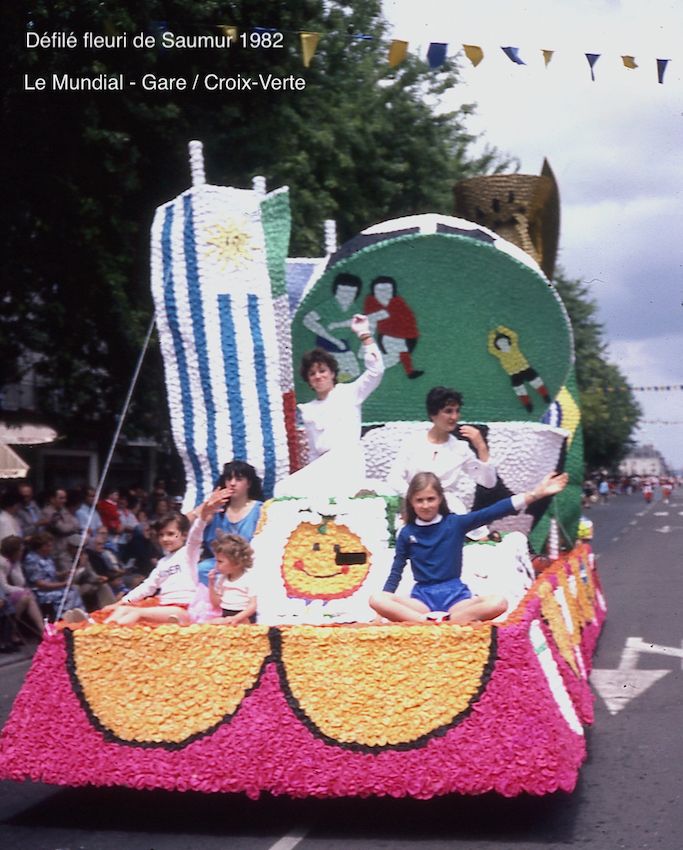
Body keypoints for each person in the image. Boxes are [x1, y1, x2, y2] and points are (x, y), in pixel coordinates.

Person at [370, 470, 568, 625]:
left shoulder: (455, 523)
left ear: (440, 499)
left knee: (499, 602)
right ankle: (427, 621)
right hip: (421, 600)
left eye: (430, 499)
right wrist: (382, 611)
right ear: (411, 503)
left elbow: (494, 511)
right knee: (377, 599)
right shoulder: (407, 533)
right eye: (419, 500)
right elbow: (396, 572)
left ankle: (447, 621)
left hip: (457, 599)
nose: (425, 505)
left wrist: (535, 494)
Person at [275, 313, 385, 497]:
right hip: (323, 466)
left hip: (348, 461)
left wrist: (364, 334)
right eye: (312, 374)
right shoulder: (307, 409)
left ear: (332, 373)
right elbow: (313, 450)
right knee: (283, 491)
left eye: (322, 371)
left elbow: (376, 371)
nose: (318, 376)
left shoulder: (349, 393)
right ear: (309, 381)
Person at [102, 490, 227, 627]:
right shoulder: (162, 562)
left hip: (183, 609)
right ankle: (95, 631)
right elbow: (148, 586)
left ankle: (109, 635)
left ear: (184, 535)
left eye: (170, 534)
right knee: (122, 609)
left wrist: (202, 518)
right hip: (164, 608)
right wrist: (119, 603)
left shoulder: (188, 553)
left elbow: (195, 536)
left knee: (136, 613)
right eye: (161, 535)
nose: (165, 539)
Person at [388, 386, 497, 538]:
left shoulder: (460, 448)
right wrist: (418, 499)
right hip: (414, 512)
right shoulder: (412, 443)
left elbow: (488, 482)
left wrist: (481, 446)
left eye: (457, 411)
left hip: (448, 512)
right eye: (448, 411)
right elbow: (393, 478)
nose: (454, 417)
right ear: (433, 414)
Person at [188, 461, 263, 586]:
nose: (232, 483)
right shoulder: (217, 510)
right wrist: (206, 506)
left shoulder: (260, 510)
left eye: (238, 479)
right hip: (217, 567)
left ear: (249, 483)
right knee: (202, 569)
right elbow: (181, 525)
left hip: (249, 567)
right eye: (229, 479)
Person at [363, 275, 423, 379]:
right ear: (374, 291)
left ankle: (410, 372)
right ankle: (373, 370)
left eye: (387, 290)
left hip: (406, 335)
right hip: (388, 335)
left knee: (402, 353)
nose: (384, 293)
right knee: (395, 356)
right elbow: (370, 319)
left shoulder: (398, 302)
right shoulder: (371, 302)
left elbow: (408, 316)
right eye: (380, 290)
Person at [22, 532, 84, 615]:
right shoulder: (31, 560)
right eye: (48, 546)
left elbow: (53, 574)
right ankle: (64, 618)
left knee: (74, 589)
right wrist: (63, 584)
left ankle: (79, 615)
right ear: (40, 547)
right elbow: (40, 583)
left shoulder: (47, 557)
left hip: (53, 587)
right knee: (69, 593)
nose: (51, 548)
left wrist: (65, 573)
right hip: (42, 592)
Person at [207, 533, 258, 624]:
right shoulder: (222, 579)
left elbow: (253, 605)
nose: (216, 566)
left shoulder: (248, 579)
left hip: (243, 616)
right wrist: (211, 583)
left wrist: (236, 618)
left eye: (220, 562)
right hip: (226, 615)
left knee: (242, 622)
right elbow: (215, 604)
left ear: (237, 562)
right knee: (208, 624)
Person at [0, 536, 44, 637]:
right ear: (13, 552)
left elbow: (20, 581)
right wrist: (22, 590)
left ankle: (42, 630)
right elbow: (4, 587)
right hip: (2, 595)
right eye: (20, 551)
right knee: (26, 597)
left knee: (27, 597)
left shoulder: (13, 562)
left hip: (11, 594)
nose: (22, 553)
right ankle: (13, 631)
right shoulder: (1, 563)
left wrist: (16, 565)